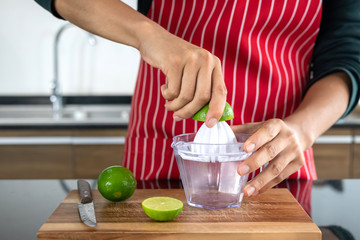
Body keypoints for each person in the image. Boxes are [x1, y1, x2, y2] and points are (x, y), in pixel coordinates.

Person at [35, 0, 360, 197]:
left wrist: (302, 130)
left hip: (276, 167)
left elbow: (348, 54)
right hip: (160, 160)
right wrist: (149, 35)